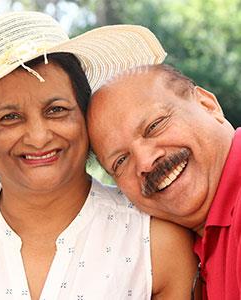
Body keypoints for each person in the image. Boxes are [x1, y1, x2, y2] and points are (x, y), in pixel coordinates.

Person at [0, 11, 199, 300]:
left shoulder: (155, 244)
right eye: (10, 117)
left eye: (56, 110)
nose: (39, 137)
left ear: (85, 117)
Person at [87, 55, 239, 298]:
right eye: (121, 161)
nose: (146, 162)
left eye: (154, 126)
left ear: (207, 105)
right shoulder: (185, 247)